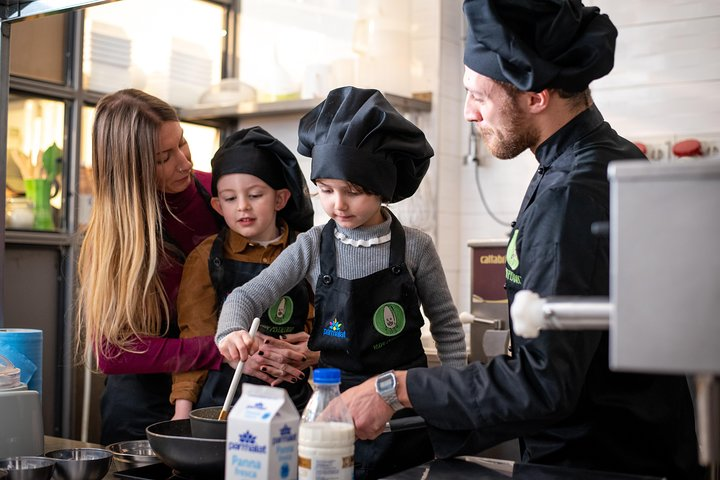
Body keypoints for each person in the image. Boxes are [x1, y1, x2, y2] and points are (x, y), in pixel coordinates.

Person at [337, 2, 705, 480]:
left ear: (536, 97)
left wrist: (396, 389)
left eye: (480, 97)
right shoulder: (589, 162)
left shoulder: (573, 192)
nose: (469, 113)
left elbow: (544, 383)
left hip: (599, 464)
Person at [216, 86, 467, 479]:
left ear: (383, 189)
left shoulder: (416, 247)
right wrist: (230, 332)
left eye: (353, 192)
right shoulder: (313, 245)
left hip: (408, 413)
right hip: (334, 413)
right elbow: (247, 296)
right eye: (327, 191)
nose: (338, 205)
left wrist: (454, 402)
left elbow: (448, 329)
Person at [76, 89, 314, 445]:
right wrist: (226, 350)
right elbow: (112, 354)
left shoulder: (219, 193)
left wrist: (308, 338)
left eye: (182, 143)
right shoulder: (112, 240)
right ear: (132, 169)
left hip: (223, 387)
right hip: (145, 401)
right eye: (163, 158)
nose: (184, 163)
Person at [170, 126, 316, 419]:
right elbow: (195, 335)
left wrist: (316, 348)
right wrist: (182, 412)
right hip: (225, 400)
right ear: (217, 206)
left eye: (255, 194)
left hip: (295, 400)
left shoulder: (309, 249)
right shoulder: (206, 257)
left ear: (280, 199)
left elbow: (334, 324)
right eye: (230, 198)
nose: (243, 207)